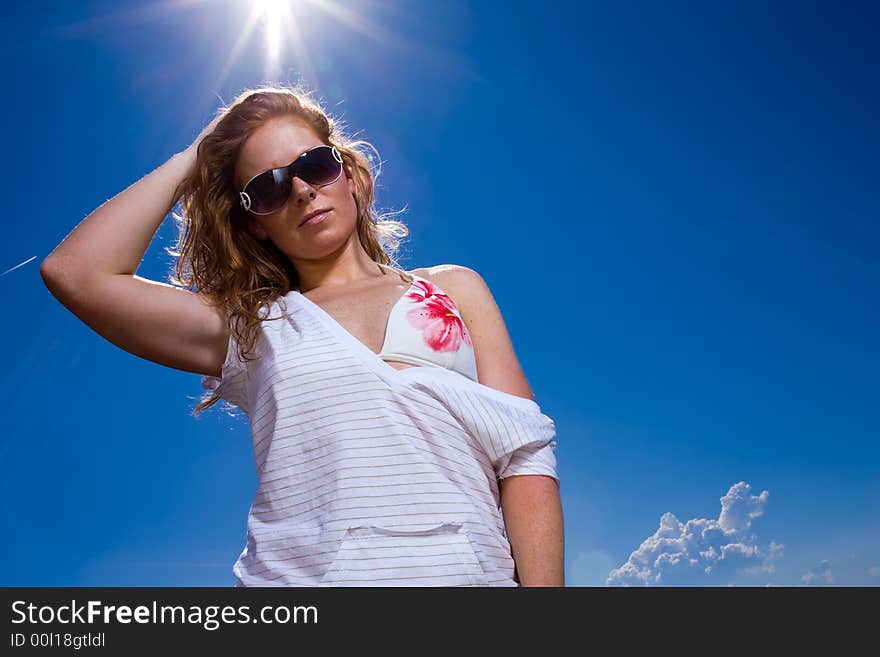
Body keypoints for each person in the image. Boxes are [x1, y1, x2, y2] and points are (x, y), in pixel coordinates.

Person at [40, 84, 564, 587]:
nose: (300, 188)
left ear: (348, 175)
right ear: (254, 224)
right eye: (266, 187)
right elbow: (76, 274)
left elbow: (525, 454)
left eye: (314, 165)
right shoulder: (251, 327)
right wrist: (201, 154)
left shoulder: (454, 290)